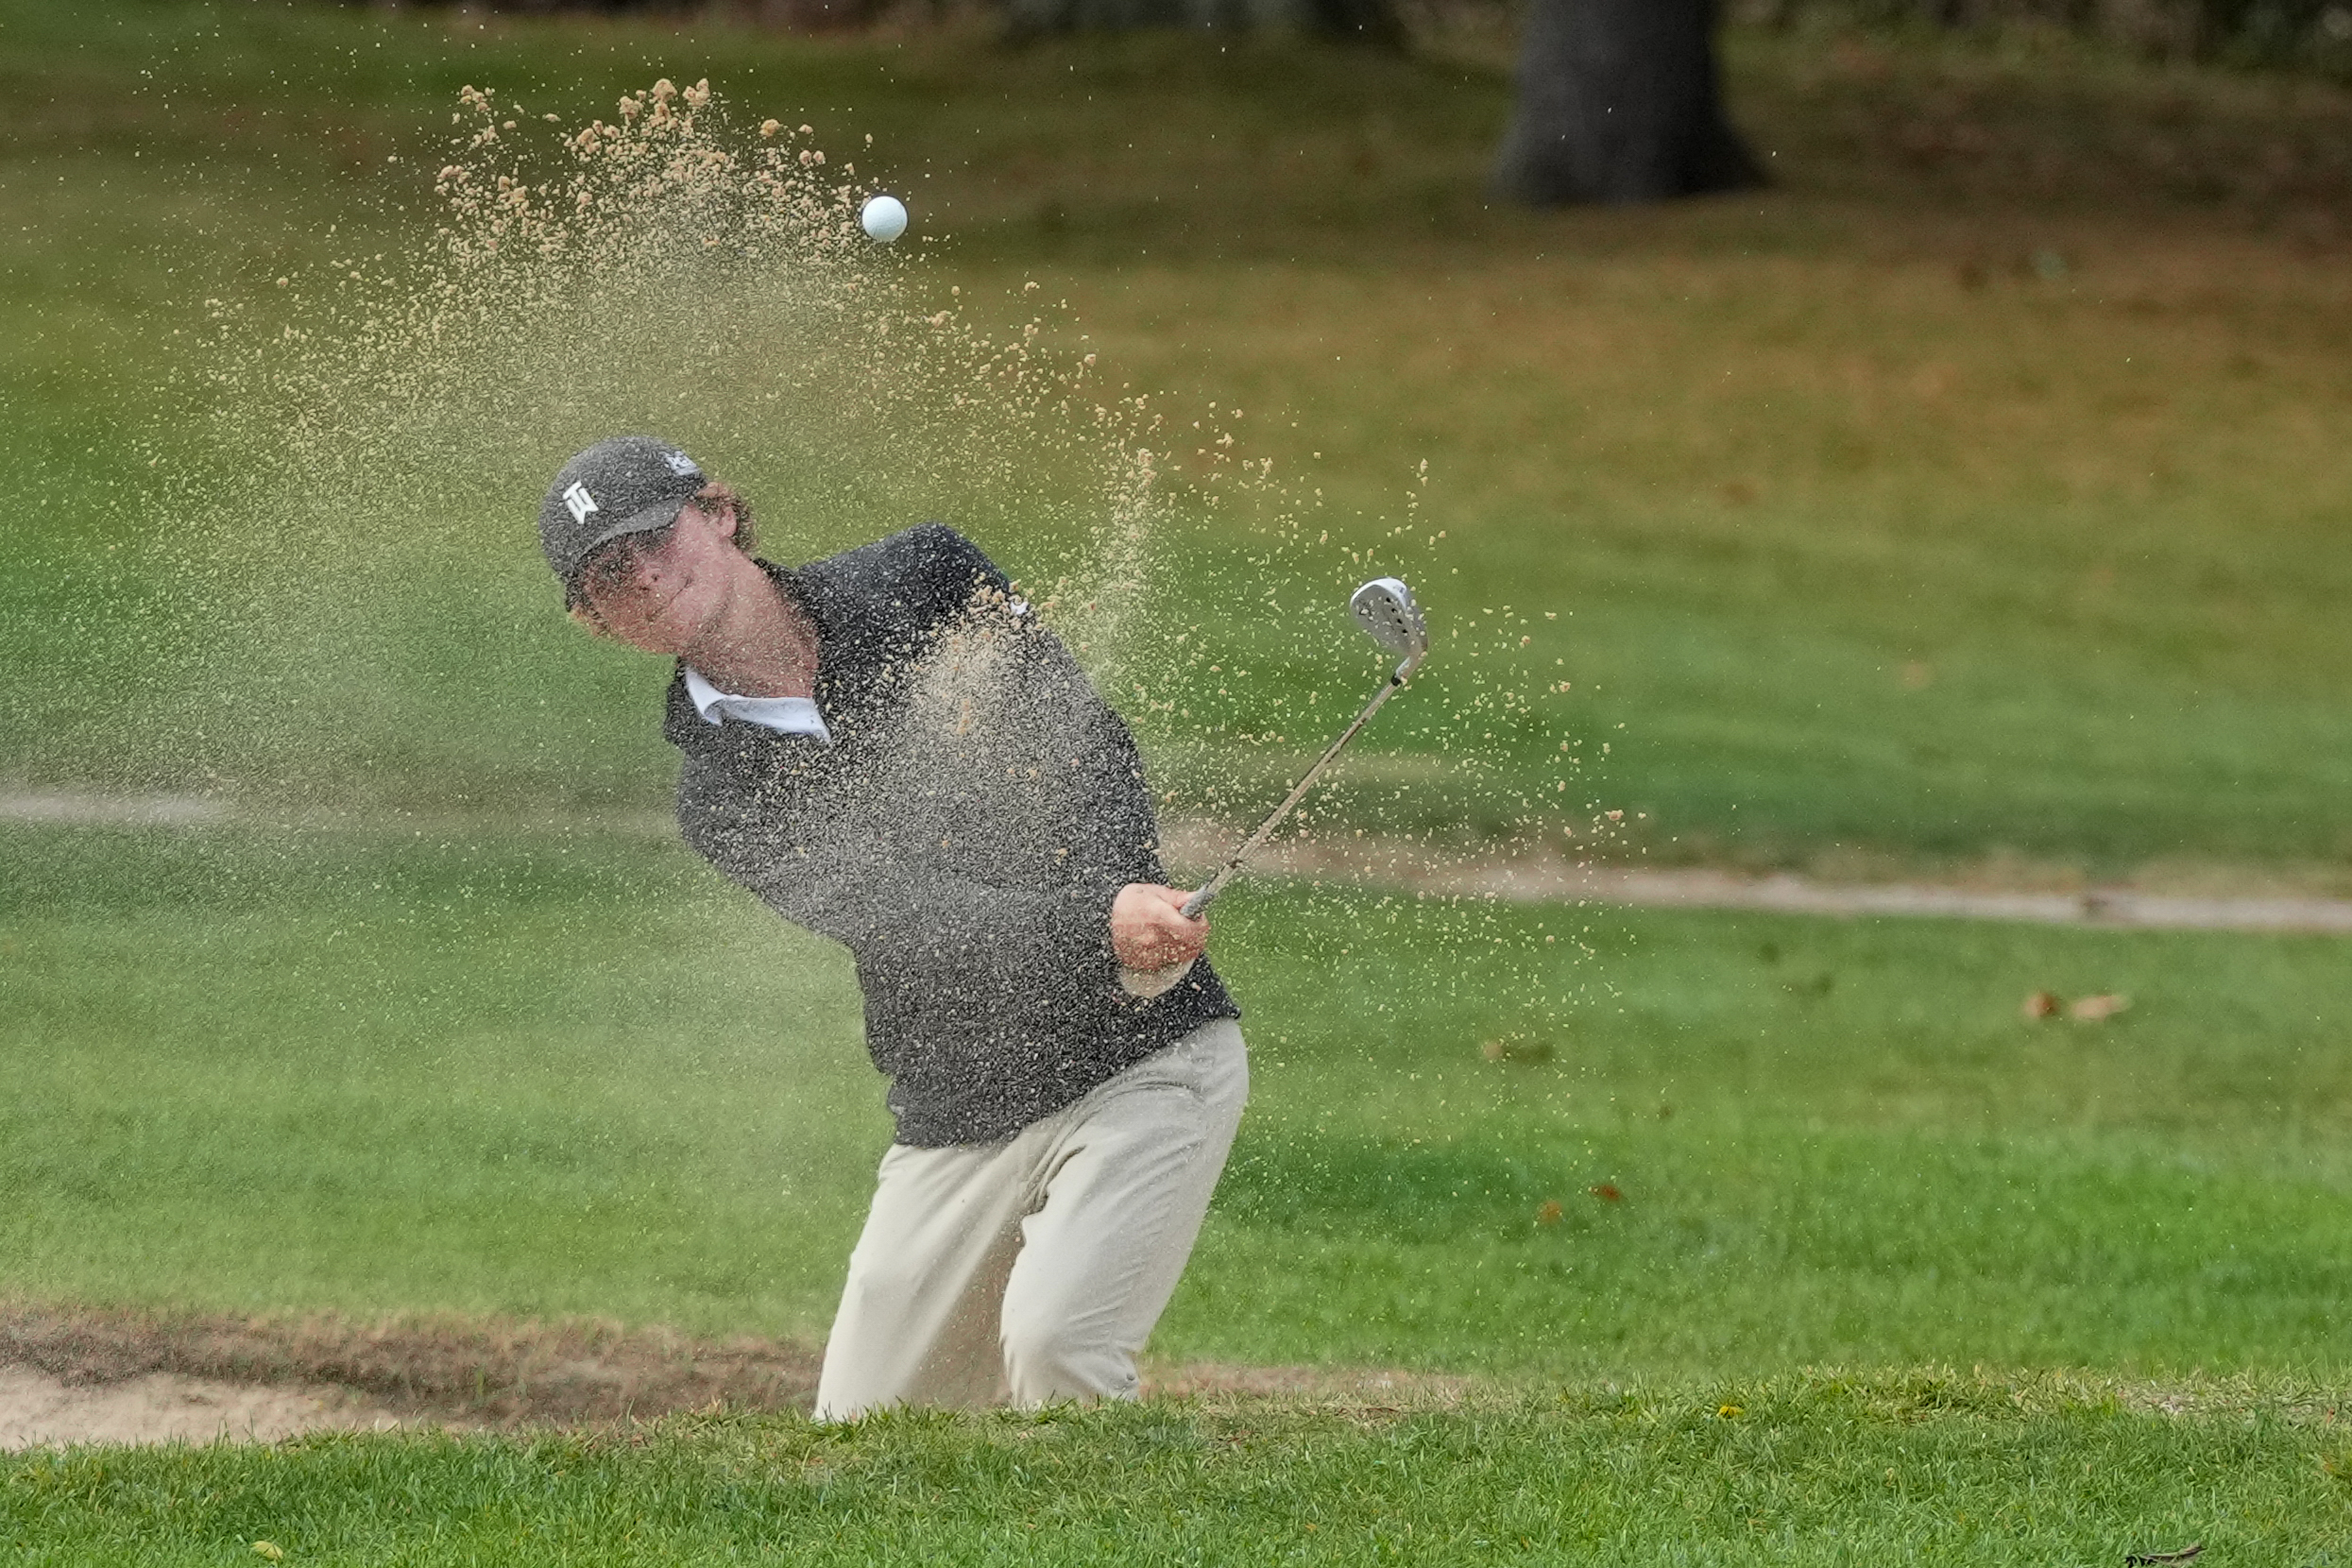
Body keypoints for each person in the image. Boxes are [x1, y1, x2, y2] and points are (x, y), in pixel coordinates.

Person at [537, 435, 1246, 1419]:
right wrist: (1094, 928)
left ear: (720, 515)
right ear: (599, 622)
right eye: (609, 575)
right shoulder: (720, 795)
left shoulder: (927, 574)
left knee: (1058, 1345)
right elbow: (904, 917)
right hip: (961, 1102)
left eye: (655, 536)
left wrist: (1127, 903)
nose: (645, 575)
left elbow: (1085, 742)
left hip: (1148, 1051)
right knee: (865, 1436)